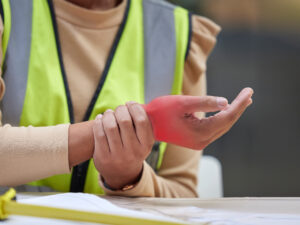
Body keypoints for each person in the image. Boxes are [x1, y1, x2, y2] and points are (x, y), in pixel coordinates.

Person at [0, 0, 252, 197]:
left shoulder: (178, 31)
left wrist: (129, 179)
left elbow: (182, 194)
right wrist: (143, 126)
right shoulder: (6, 10)